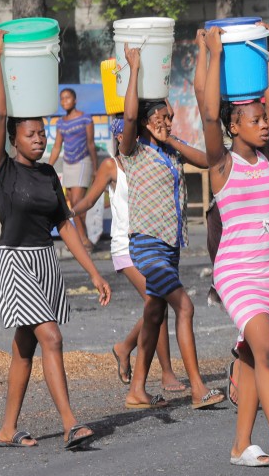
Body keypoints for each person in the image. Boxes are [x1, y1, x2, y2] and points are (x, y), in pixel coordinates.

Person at [0, 28, 111, 450]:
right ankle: (72, 423)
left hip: (45, 263)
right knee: (51, 337)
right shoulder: (2, 169)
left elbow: (66, 226)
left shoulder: (48, 175)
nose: (39, 139)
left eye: (42, 134)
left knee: (25, 346)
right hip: (16, 263)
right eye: (30, 134)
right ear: (14, 140)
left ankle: (7, 428)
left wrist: (94, 273)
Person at [200, 25, 269, 469]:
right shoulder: (221, 163)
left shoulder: (268, 155)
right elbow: (207, 113)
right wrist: (216, 54)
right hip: (235, 271)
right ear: (234, 125)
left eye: (266, 119)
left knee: (259, 347)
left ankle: (241, 446)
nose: (265, 125)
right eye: (256, 119)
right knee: (267, 350)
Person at [119, 45, 224, 411]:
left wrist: (173, 139)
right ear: (147, 121)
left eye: (170, 115)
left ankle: (136, 390)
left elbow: (212, 160)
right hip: (147, 245)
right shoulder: (132, 150)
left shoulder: (169, 151)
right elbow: (130, 118)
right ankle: (198, 388)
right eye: (162, 117)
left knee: (154, 312)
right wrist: (134, 70)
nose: (168, 121)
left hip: (169, 246)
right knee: (185, 307)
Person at [70, 115, 186, 393]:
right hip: (125, 245)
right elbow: (89, 199)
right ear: (120, 137)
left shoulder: (147, 161)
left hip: (153, 240)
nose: (134, 139)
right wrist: (68, 212)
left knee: (157, 304)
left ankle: (129, 350)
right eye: (128, 134)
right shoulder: (112, 166)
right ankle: (160, 370)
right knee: (156, 302)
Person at [48, 88, 99, 251]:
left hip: (83, 162)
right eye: (62, 99)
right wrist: (48, 166)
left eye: (67, 98)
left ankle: (84, 241)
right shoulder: (61, 123)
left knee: (77, 203)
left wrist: (96, 168)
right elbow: (57, 147)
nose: (64, 101)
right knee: (72, 203)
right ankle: (81, 239)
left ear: (75, 100)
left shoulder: (86, 118)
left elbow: (91, 144)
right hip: (68, 164)